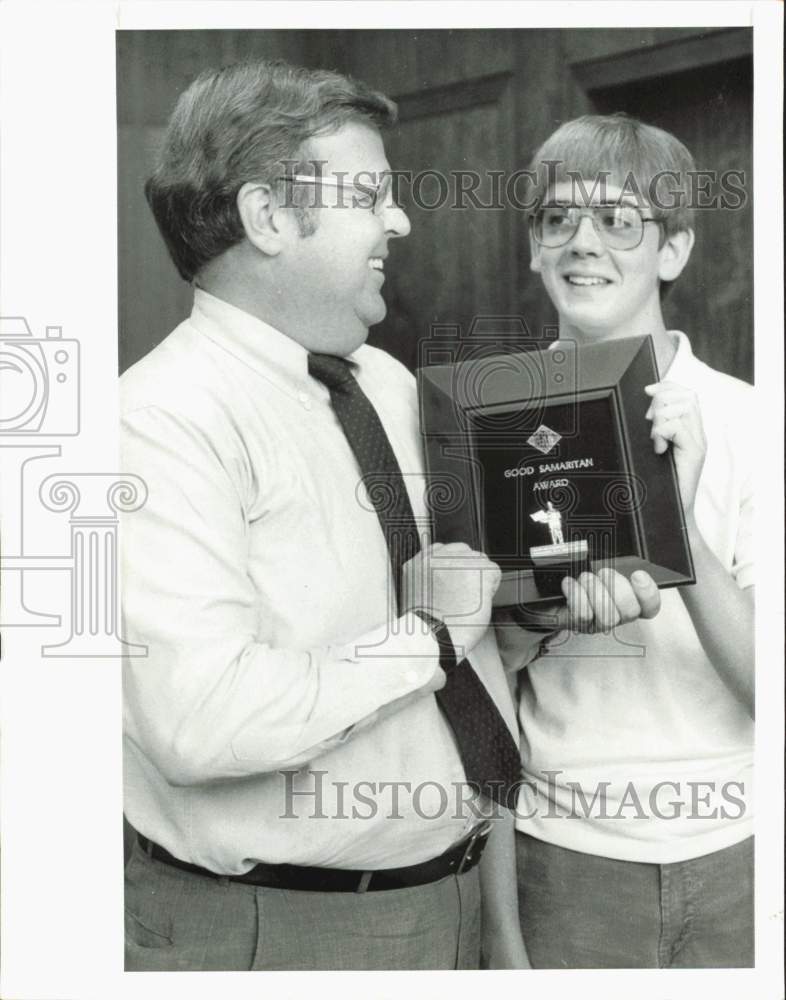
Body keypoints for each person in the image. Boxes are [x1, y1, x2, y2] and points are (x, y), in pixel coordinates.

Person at [120, 61, 659, 972]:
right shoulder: (155, 423)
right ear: (269, 217)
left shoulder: (387, 381)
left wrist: (534, 615)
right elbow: (200, 724)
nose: (399, 220)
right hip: (279, 932)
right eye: (370, 194)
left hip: (459, 894)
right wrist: (433, 635)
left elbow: (445, 608)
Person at [507, 114, 754, 969]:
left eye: (619, 220)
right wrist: (542, 617)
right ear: (535, 248)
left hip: (742, 848)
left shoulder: (757, 424)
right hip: (563, 852)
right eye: (557, 220)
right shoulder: (494, 420)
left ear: (674, 249)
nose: (584, 245)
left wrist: (671, 530)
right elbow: (472, 677)